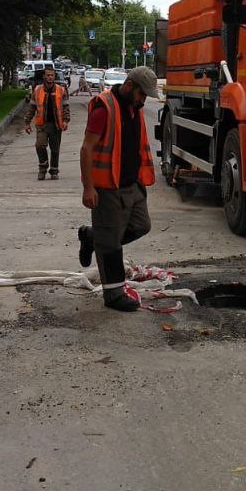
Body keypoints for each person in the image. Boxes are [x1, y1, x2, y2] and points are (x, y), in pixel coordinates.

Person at [76, 66, 157, 312]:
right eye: (143, 94)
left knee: (141, 226)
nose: (144, 100)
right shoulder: (104, 107)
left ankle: (92, 237)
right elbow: (86, 149)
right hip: (107, 187)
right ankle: (113, 294)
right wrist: (88, 188)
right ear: (130, 85)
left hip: (132, 184)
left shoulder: (135, 108)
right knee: (110, 243)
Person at [24, 66, 71, 180]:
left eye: (52, 75)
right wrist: (27, 122)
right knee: (40, 146)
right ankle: (43, 168)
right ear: (44, 76)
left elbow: (65, 106)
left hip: (56, 124)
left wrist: (65, 120)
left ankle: (54, 170)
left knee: (55, 149)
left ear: (54, 77)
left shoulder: (61, 90)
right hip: (42, 124)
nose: (50, 77)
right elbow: (32, 107)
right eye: (48, 75)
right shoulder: (37, 90)